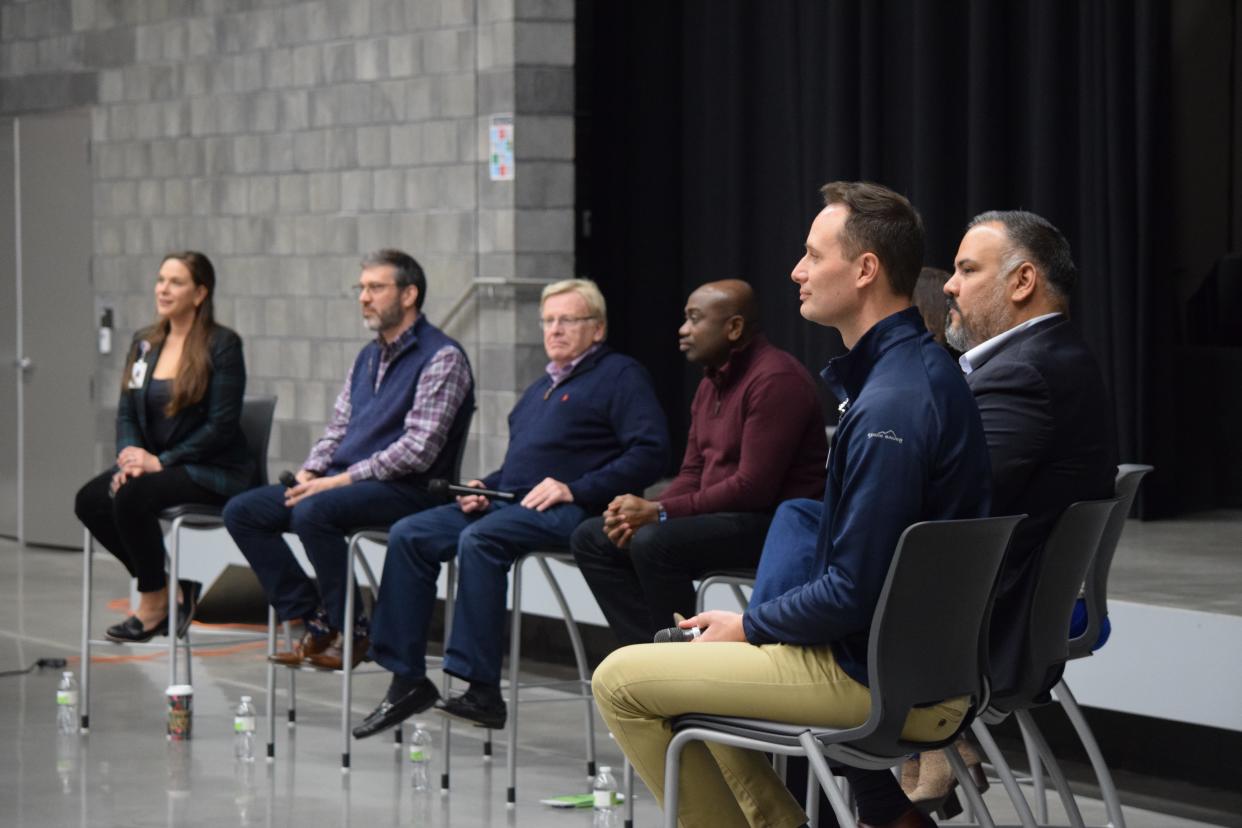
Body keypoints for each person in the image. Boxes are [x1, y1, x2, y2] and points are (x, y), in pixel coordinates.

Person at [592, 182, 991, 828]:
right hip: (919, 668)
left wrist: (751, 627)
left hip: (884, 681)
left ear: (864, 270)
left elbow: (850, 593)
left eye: (812, 254)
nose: (795, 271)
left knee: (619, 682)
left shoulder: (892, 403)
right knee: (702, 662)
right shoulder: (918, 373)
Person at [352, 278, 669, 738]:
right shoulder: (541, 386)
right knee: (410, 533)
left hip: (578, 510)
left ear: (597, 329)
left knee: (479, 539)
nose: (555, 329)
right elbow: (523, 470)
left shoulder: (620, 375)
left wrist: (575, 488)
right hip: (515, 504)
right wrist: (486, 485)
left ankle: (481, 689)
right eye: (549, 320)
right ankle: (407, 678)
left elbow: (650, 453)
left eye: (568, 320)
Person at [902, 210, 1118, 806]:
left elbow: (952, 511)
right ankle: (922, 762)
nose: (948, 284)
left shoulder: (1024, 373)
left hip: (984, 627)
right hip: (1011, 610)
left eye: (967, 270)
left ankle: (905, 774)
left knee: (804, 584)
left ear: (1022, 283)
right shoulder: (1058, 356)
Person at [222, 249, 474, 670]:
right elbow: (339, 427)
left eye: (376, 287)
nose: (364, 297)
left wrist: (336, 482)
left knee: (314, 512)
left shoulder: (442, 357)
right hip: (350, 483)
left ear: (409, 294)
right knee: (244, 511)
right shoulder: (368, 356)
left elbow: (418, 450)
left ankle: (352, 628)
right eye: (361, 288)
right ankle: (312, 615)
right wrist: (310, 471)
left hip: (410, 490)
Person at [571, 279, 827, 646]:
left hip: (775, 525)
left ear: (734, 327)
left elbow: (753, 488)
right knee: (592, 537)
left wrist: (659, 511)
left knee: (655, 542)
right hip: (726, 517)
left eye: (694, 319)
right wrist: (640, 513)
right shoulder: (710, 384)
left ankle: (681, 662)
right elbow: (693, 472)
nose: (683, 329)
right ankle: (649, 650)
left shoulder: (776, 379)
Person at [75, 251, 252, 643]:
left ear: (200, 292)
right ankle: (169, 589)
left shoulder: (222, 345)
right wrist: (130, 457)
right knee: (91, 499)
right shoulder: (144, 343)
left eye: (176, 282)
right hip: (156, 466)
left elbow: (221, 427)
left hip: (210, 468)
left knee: (132, 498)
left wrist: (159, 461)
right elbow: (127, 414)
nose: (163, 289)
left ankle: (153, 604)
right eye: (160, 280)